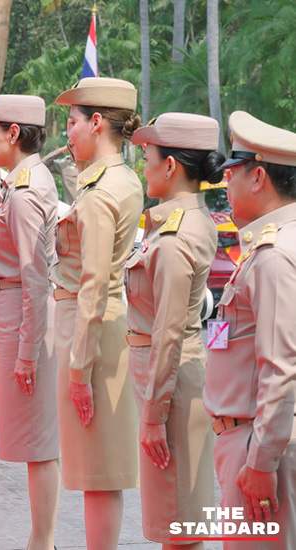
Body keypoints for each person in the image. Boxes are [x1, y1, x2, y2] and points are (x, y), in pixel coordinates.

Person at [51, 77, 144, 549]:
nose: (66, 132)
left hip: (93, 336)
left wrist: (79, 370)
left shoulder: (104, 192)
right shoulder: (116, 181)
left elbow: (92, 285)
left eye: (71, 122)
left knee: (99, 472)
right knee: (98, 470)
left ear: (96, 122)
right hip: (101, 330)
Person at [125, 113, 223, 549]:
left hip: (171, 389)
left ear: (170, 166)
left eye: (147, 157)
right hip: (174, 382)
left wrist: (152, 417)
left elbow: (167, 334)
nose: (142, 166)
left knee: (179, 524)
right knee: (179, 521)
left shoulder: (177, 235)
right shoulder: (182, 222)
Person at [0, 95, 60, 550]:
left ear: (15, 134)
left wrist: (27, 354)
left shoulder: (26, 192)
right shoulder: (19, 181)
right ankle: (39, 538)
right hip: (8, 309)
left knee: (37, 441)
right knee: (30, 438)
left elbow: (35, 281)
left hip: (19, 311)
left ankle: (41, 542)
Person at [204, 111, 296, 550]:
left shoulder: (275, 254)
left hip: (258, 445)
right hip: (259, 439)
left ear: (259, 176)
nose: (226, 184)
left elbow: (281, 368)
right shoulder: (276, 244)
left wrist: (260, 463)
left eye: (232, 174)